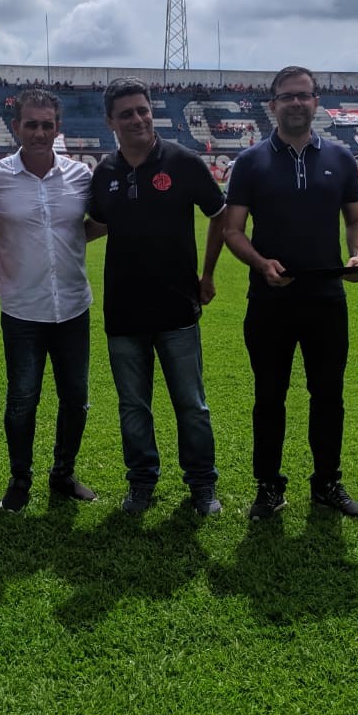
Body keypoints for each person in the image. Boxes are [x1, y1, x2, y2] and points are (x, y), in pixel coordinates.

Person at [224, 65, 358, 522]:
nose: (295, 103)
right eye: (286, 97)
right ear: (272, 106)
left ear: (316, 102)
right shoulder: (250, 162)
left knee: (329, 395)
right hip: (270, 301)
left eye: (303, 95)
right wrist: (261, 263)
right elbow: (232, 230)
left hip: (327, 298)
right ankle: (268, 487)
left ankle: (327, 483)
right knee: (270, 396)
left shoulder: (341, 158)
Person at [88, 77, 227, 517]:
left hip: (177, 307)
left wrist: (207, 274)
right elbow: (96, 226)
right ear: (111, 120)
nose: (137, 118)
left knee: (192, 405)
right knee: (133, 406)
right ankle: (142, 482)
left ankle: (202, 484)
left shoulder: (183, 162)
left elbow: (219, 215)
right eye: (126, 113)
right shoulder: (105, 172)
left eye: (143, 109)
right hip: (124, 312)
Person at [0, 89, 101, 514]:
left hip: (74, 307)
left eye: (47, 124)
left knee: (76, 397)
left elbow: (100, 221)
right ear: (16, 128)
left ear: (57, 128)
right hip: (22, 311)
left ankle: (63, 474)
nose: (40, 132)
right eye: (31, 124)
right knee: (23, 399)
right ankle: (20, 478)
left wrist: (66, 239)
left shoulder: (81, 176)